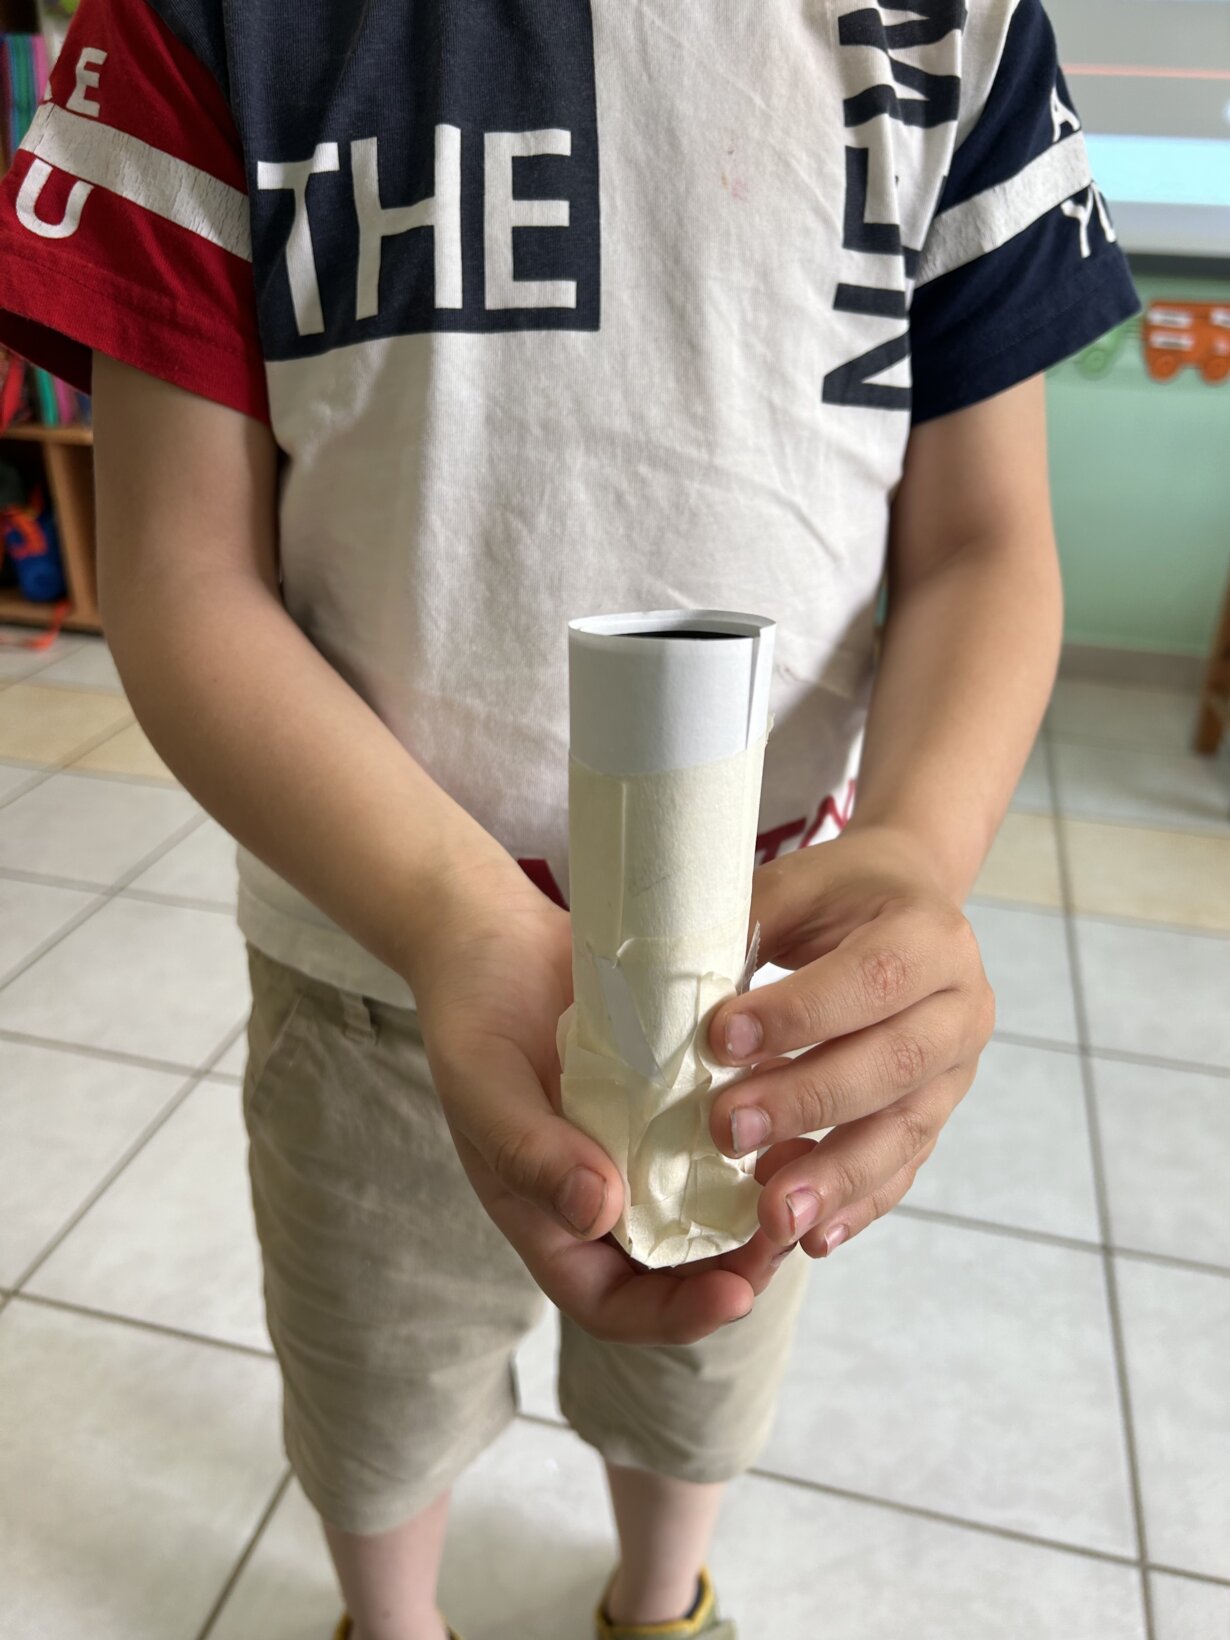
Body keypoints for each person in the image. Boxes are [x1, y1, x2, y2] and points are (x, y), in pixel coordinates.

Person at [0, 2, 1138, 1636]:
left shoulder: (954, 28)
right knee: (374, 1385)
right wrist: (446, 916)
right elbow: (182, 572)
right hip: (364, 964)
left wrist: (910, 853)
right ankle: (393, 1619)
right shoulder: (205, 17)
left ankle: (658, 1602)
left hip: (757, 982)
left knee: (702, 1358)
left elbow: (982, 541)